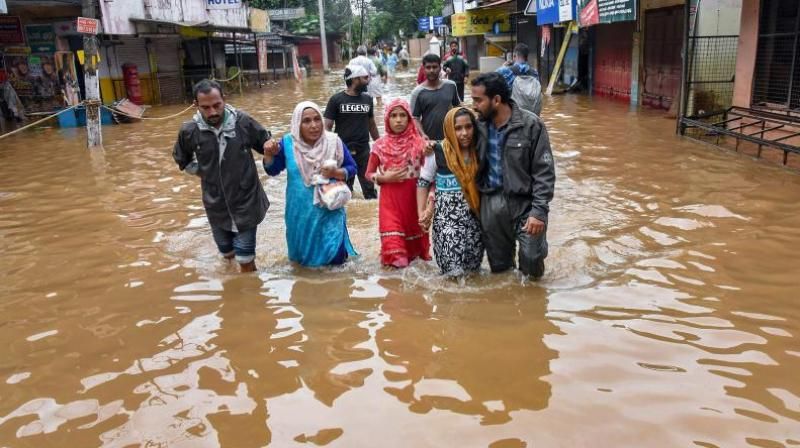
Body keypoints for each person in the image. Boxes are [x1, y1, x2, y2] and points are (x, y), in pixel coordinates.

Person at [172, 79, 273, 273]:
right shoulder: (189, 131)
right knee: (226, 252)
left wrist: (271, 148)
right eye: (206, 107)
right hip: (215, 203)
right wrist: (203, 173)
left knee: (245, 257)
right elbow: (182, 159)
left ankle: (250, 289)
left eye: (217, 105)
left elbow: (265, 144)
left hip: (246, 200)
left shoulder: (243, 122)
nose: (213, 112)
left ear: (224, 100)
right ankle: (232, 282)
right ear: (195, 105)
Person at [470, 72, 555, 279]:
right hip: (491, 204)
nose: (474, 106)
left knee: (532, 262)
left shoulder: (531, 125)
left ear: (496, 100)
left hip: (525, 204)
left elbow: (544, 172)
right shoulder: (477, 127)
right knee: (501, 269)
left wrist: (539, 211)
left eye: (478, 100)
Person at [263, 101, 358, 267]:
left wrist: (335, 173)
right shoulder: (288, 144)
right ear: (297, 124)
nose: (314, 125)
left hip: (329, 212)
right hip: (300, 214)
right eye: (306, 121)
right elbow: (273, 170)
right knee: (303, 264)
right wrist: (268, 154)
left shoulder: (333, 142)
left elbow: (352, 167)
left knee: (335, 263)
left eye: (317, 119)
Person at [417, 107, 484, 276]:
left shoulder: (480, 150)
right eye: (458, 128)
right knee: (452, 273)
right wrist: (422, 212)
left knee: (472, 273)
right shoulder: (438, 151)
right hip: (447, 223)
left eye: (468, 127)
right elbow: (423, 182)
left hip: (475, 222)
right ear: (448, 129)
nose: (464, 133)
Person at [365, 99, 431, 268]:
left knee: (416, 262)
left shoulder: (420, 144)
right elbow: (368, 174)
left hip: (414, 204)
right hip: (390, 206)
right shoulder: (379, 146)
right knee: (396, 259)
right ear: (387, 119)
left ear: (409, 119)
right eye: (393, 116)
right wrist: (384, 178)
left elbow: (430, 176)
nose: (398, 120)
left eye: (403, 115)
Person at [324, 65, 380, 199]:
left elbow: (371, 124)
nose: (368, 81)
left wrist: (380, 145)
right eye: (365, 78)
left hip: (363, 150)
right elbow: (327, 127)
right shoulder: (336, 100)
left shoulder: (368, 99)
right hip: (343, 151)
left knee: (370, 192)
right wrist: (327, 150)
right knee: (344, 191)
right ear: (355, 79)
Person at [410, 53, 461, 142]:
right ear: (423, 69)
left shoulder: (451, 85)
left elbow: (458, 108)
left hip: (450, 139)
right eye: (428, 67)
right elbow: (415, 118)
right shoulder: (417, 92)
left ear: (440, 68)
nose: (431, 70)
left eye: (434, 67)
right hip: (429, 141)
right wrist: (423, 135)